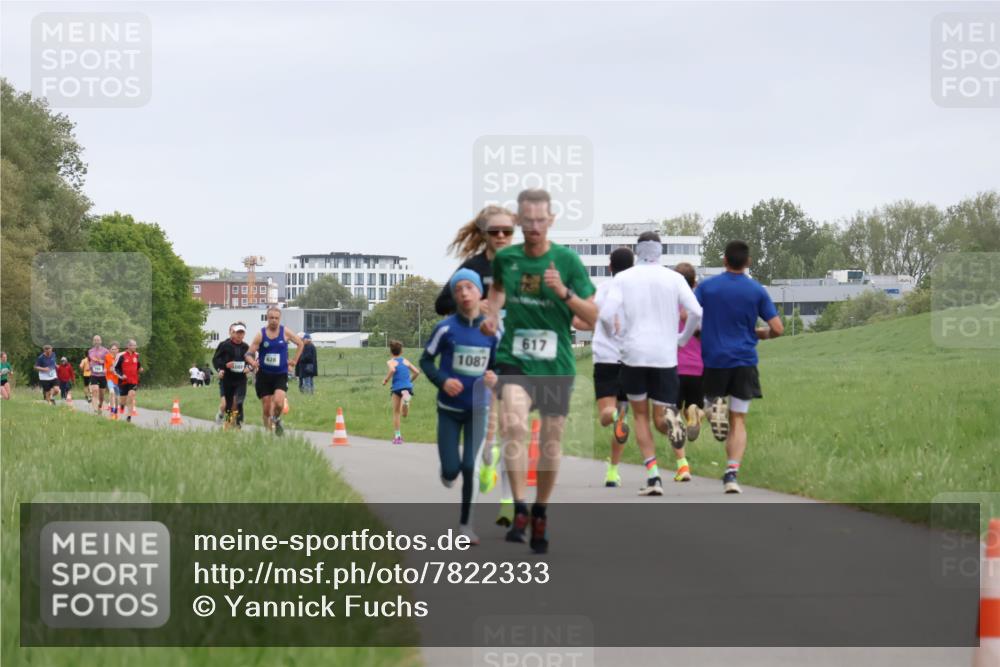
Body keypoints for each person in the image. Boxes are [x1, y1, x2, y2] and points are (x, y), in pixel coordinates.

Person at [481, 188, 597, 554]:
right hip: (515, 358)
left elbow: (593, 317)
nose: (533, 226)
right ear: (519, 221)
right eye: (526, 220)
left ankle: (541, 510)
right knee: (513, 424)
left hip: (556, 363)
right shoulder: (507, 259)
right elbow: (497, 293)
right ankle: (518, 506)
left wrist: (563, 292)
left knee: (551, 438)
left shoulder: (567, 261)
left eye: (539, 220)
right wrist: (490, 313)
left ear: (550, 221)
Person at [599, 232, 702, 496]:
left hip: (634, 355)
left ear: (638, 251)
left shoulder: (623, 278)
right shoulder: (675, 278)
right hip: (665, 356)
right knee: (661, 415)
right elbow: (697, 312)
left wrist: (618, 338)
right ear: (659, 252)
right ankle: (674, 424)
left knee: (641, 416)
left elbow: (607, 314)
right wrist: (682, 339)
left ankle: (654, 475)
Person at [432, 205, 518, 520]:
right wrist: (473, 303)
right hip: (480, 356)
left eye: (506, 231)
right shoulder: (473, 267)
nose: (500, 236)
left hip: (513, 354)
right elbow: (441, 303)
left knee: (514, 426)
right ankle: (483, 456)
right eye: (494, 231)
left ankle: (508, 503)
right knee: (490, 427)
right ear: (483, 235)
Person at [694, 240, 783, 494]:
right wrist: (758, 334)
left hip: (714, 360)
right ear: (748, 262)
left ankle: (706, 411)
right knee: (739, 420)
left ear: (724, 260)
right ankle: (731, 474)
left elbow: (687, 312)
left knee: (710, 400)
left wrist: (701, 331)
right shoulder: (756, 291)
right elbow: (777, 328)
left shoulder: (708, 287)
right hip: (744, 361)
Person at [420, 269, 499, 544]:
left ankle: (466, 526)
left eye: (469, 287)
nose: (464, 293)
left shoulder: (492, 331)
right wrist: (443, 381)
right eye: (458, 289)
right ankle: (447, 471)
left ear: (479, 292)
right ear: (455, 297)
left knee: (470, 467)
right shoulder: (445, 329)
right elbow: (426, 362)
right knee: (452, 470)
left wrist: (494, 377)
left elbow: (498, 365)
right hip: (449, 411)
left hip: (478, 408)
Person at [572, 246, 634, 487]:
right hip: (630, 358)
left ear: (610, 267)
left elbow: (580, 321)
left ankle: (615, 415)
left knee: (606, 415)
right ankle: (612, 471)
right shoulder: (638, 292)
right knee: (624, 415)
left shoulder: (601, 291)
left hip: (605, 358)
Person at [245, 306, 305, 436]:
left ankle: (276, 419)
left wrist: (294, 361)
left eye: (276, 318)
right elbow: (248, 354)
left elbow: (300, 343)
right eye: (271, 318)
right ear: (267, 318)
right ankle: (268, 434)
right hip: (263, 376)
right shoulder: (261, 334)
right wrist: (253, 362)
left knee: (278, 403)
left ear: (280, 319)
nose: (274, 320)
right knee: (266, 408)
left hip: (280, 374)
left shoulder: (285, 332)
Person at [674, 262, 706, 441]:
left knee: (673, 410)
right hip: (697, 367)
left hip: (675, 367)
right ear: (694, 284)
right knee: (695, 406)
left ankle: (678, 440)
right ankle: (695, 414)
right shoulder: (700, 308)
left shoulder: (669, 306)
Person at [382, 341, 422, 444]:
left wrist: (385, 380)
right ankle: (406, 402)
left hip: (396, 388)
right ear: (402, 351)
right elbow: (417, 372)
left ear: (391, 352)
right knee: (404, 414)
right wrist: (409, 381)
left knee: (396, 413)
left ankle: (398, 437)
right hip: (407, 387)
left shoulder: (390, 362)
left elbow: (392, 370)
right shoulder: (405, 361)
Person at [213, 323, 250, 429]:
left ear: (244, 335)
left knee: (236, 402)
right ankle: (223, 416)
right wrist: (221, 369)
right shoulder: (225, 345)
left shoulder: (246, 347)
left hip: (240, 379)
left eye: (241, 333)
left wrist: (248, 367)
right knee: (225, 405)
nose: (239, 335)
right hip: (227, 379)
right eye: (237, 332)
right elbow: (216, 359)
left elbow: (250, 360)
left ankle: (232, 423)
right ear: (232, 333)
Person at [114, 339, 143, 422]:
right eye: (133, 345)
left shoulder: (136, 355)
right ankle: (122, 406)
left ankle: (129, 417)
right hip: (123, 381)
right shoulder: (121, 355)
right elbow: (115, 368)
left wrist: (140, 369)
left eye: (135, 345)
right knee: (123, 401)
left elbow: (138, 365)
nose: (135, 347)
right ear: (128, 346)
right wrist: (121, 375)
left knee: (131, 396)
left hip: (133, 380)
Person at [87, 335, 110, 412]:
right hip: (94, 374)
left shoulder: (106, 351)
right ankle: (95, 409)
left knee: (101, 395)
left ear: (101, 341)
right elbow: (90, 361)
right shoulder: (90, 351)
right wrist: (89, 367)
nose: (97, 341)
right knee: (94, 390)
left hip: (103, 375)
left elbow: (109, 362)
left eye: (98, 340)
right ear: (93, 342)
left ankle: (100, 404)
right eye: (95, 340)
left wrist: (103, 362)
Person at [105, 343, 121, 419]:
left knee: (117, 397)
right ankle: (112, 411)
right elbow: (106, 367)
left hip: (117, 380)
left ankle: (116, 410)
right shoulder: (107, 357)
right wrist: (107, 369)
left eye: (115, 349)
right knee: (111, 392)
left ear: (118, 350)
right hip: (109, 379)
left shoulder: (120, 358)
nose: (114, 350)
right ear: (110, 350)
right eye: (112, 349)